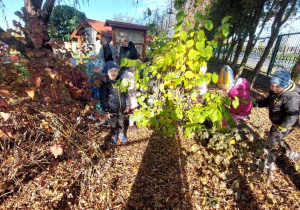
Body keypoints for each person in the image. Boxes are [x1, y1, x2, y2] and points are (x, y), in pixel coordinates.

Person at [256, 70, 300, 174]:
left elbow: (292, 115)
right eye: (272, 85)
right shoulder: (275, 91)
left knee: (272, 140)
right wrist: (256, 104)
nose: (273, 88)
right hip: (278, 122)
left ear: (284, 85)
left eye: (276, 86)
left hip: (288, 123)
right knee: (277, 138)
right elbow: (268, 101)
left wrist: (283, 127)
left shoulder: (292, 97)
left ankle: (266, 162)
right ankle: (290, 153)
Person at [100, 62, 129, 145]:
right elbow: (103, 98)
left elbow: (125, 94)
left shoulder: (121, 82)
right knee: (113, 123)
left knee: (121, 121)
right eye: (111, 71)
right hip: (112, 109)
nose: (113, 73)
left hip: (122, 107)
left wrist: (127, 105)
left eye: (115, 70)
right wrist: (106, 110)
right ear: (106, 72)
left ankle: (121, 133)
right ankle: (113, 134)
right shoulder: (106, 84)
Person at [121, 66, 139, 131]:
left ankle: (125, 123)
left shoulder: (123, 76)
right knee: (131, 112)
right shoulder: (133, 77)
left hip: (124, 98)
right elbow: (132, 90)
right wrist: (138, 94)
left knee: (126, 112)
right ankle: (131, 125)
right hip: (131, 98)